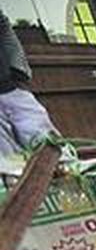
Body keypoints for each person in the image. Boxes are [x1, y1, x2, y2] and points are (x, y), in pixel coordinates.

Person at [0, 9, 57, 156]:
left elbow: (3, 26)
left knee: (48, 147)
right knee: (8, 160)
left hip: (9, 85)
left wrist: (18, 68)